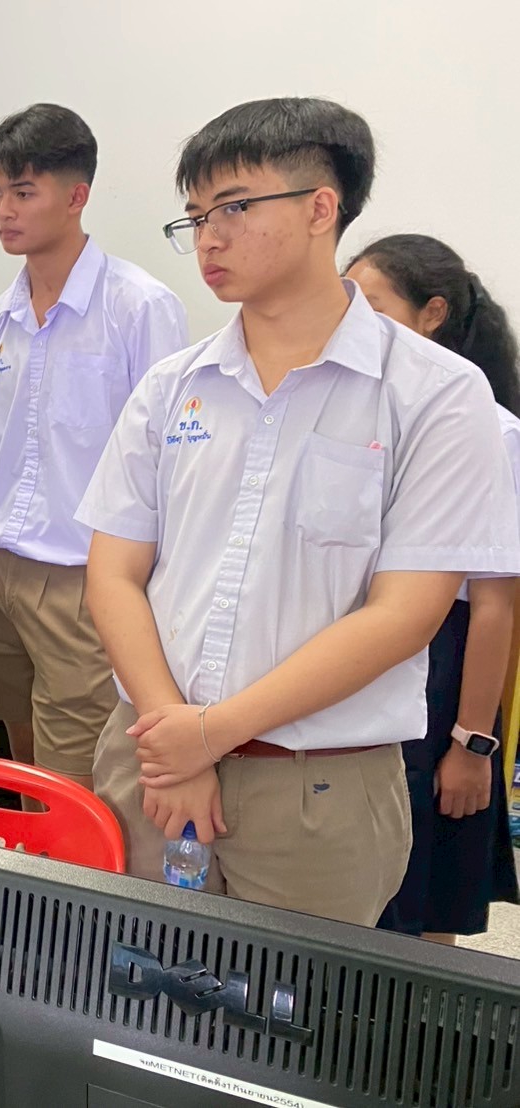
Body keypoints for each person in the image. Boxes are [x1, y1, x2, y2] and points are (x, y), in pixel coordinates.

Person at [78, 98, 520, 927]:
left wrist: (212, 732)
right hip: (151, 761)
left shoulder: (434, 394)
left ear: (322, 208)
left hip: (317, 787)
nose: (208, 238)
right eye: (195, 216)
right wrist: (178, 739)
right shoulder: (171, 387)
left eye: (233, 207)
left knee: (299, 1005)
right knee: (135, 990)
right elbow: (114, 572)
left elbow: (405, 613)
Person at [0, 104, 188, 790]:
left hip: (81, 574)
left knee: (74, 775)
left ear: (76, 195)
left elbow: (171, 465)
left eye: (22, 191)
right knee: (14, 752)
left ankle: (66, 864)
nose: (4, 211)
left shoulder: (139, 307)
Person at [345, 233, 520, 941]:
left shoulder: (491, 430)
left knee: (424, 887)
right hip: (360, 648)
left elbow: (494, 605)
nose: (350, 318)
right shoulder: (358, 412)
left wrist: (471, 744)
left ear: (432, 313)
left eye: (372, 305)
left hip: (442, 670)